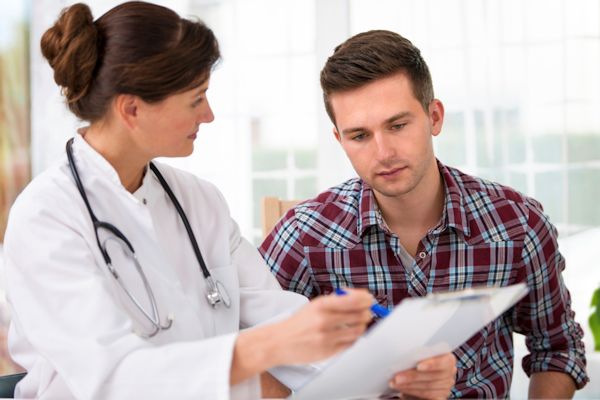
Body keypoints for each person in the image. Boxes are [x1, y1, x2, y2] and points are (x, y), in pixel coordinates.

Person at [2, 4, 456, 399]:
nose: (209, 114)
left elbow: (274, 313)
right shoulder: (46, 219)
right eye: (196, 99)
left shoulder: (198, 201)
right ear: (132, 110)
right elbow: (115, 380)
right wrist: (274, 344)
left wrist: (392, 368)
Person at [260, 30, 589, 398]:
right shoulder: (306, 235)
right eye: (360, 136)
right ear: (339, 139)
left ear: (434, 117)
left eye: (397, 126)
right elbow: (247, 355)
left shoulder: (516, 224)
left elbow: (557, 349)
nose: (383, 152)